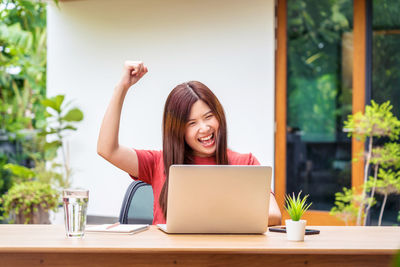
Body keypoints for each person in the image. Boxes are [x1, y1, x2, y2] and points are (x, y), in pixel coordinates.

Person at [97, 61, 282, 226]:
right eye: (192, 123)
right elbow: (107, 149)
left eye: (209, 116)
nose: (204, 128)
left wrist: (215, 216)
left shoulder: (245, 163)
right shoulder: (158, 162)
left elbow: (274, 215)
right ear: (178, 130)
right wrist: (122, 87)